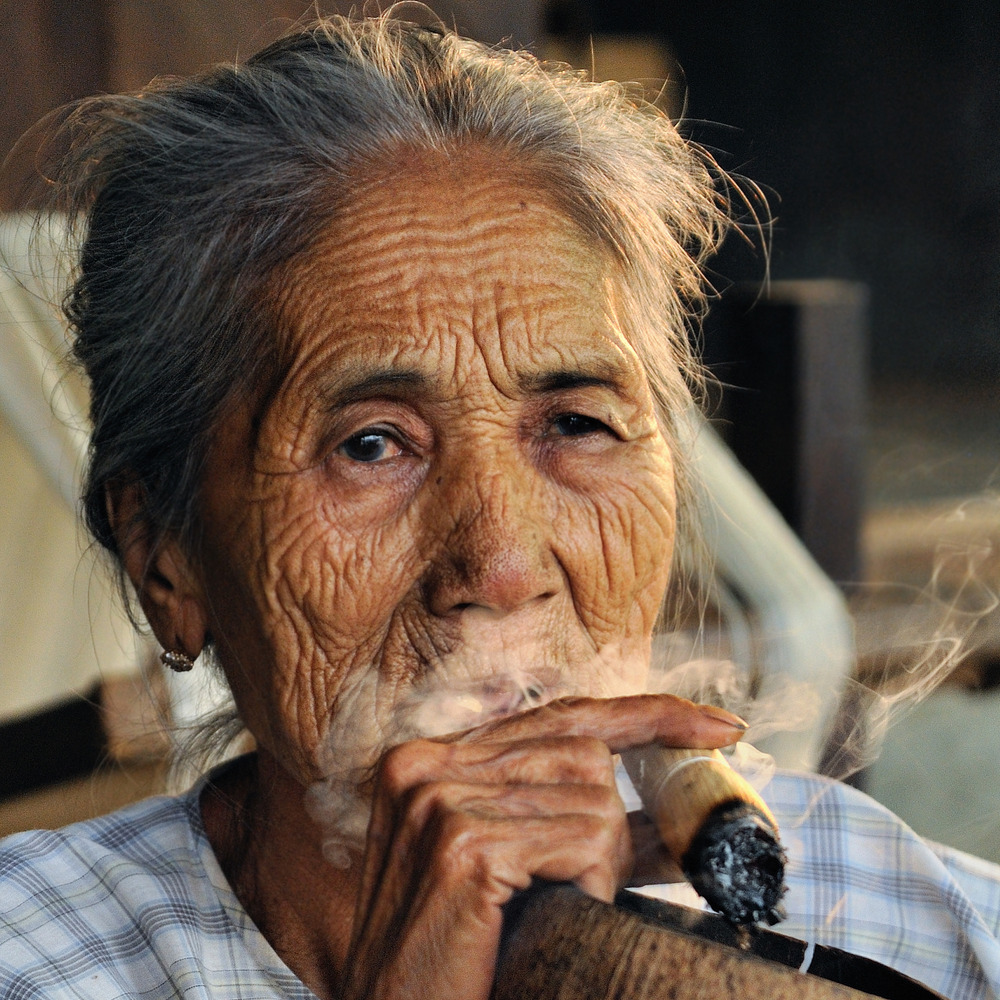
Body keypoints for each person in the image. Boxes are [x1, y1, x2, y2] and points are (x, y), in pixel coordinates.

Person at [0, 13, 998, 1000]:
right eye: (371, 445)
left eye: (574, 424)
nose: (502, 566)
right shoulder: (37, 959)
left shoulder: (919, 932)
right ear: (163, 558)